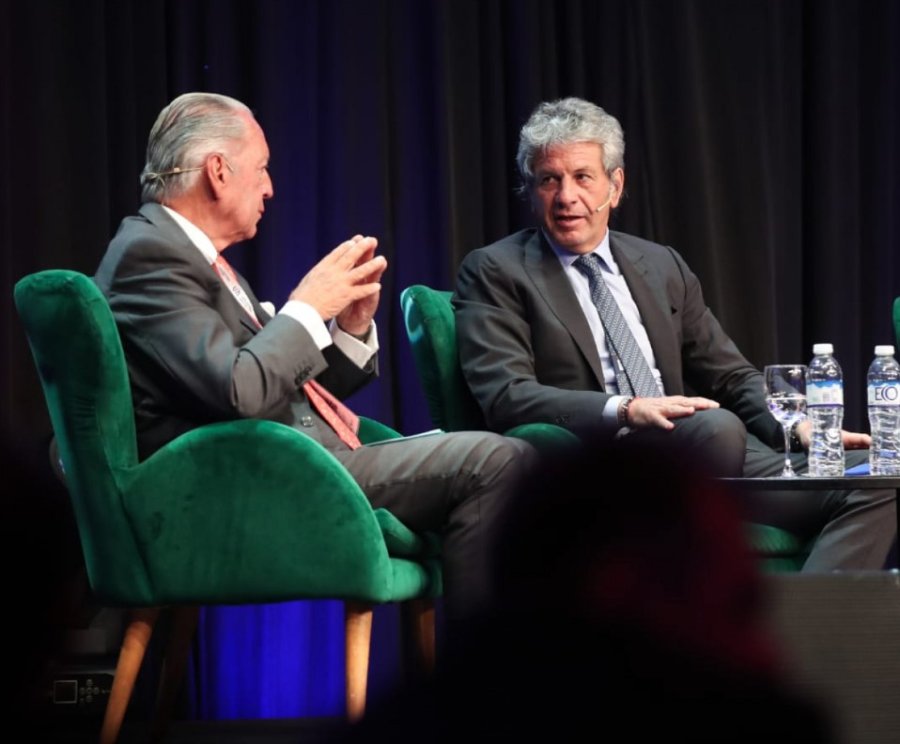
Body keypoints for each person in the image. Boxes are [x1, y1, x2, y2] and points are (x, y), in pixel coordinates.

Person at [92, 91, 536, 630]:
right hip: (245, 478)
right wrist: (306, 305)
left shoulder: (190, 256)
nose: (271, 187)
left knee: (502, 458)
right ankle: (487, 690)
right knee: (497, 461)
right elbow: (240, 390)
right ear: (218, 172)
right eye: (262, 169)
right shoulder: (152, 256)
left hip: (284, 457)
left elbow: (274, 386)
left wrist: (346, 329)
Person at [453, 96, 896, 572]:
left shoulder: (661, 264)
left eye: (582, 177)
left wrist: (800, 428)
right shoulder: (496, 270)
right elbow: (506, 394)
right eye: (549, 180)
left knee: (880, 480)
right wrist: (625, 408)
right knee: (719, 427)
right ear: (533, 190)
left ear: (614, 186)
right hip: (604, 461)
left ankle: (813, 638)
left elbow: (729, 374)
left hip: (709, 453)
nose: (566, 197)